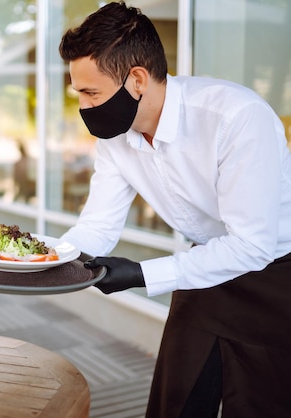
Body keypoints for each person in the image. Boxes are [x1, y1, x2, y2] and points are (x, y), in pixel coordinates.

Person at [58, 2, 291, 417]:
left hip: (276, 276)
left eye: (91, 92)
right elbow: (96, 225)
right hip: (205, 266)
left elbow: (252, 246)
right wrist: (51, 261)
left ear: (137, 79)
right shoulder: (115, 140)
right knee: (175, 400)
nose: (85, 106)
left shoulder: (236, 117)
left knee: (261, 403)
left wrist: (143, 273)